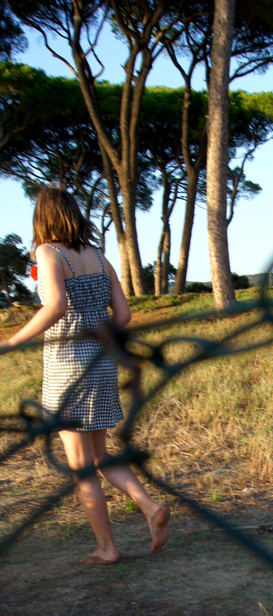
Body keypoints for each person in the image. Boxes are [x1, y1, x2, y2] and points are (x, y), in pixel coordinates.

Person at [0, 187, 169, 565]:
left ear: (42, 217)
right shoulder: (99, 256)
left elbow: (55, 306)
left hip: (66, 365)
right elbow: (123, 315)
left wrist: (13, 340)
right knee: (98, 455)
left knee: (80, 466)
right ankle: (149, 506)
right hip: (103, 362)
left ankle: (107, 549)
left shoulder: (48, 253)